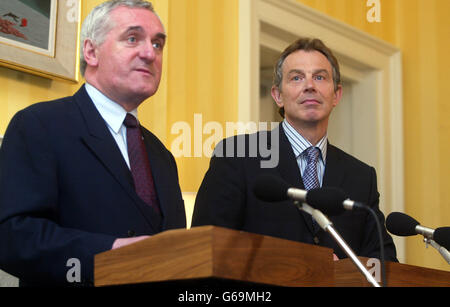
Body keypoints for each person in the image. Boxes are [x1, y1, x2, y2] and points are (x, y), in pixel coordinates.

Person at [0, 0, 186, 286]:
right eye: (133, 38)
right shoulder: (39, 126)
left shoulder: (162, 156)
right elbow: (12, 237)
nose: (150, 53)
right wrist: (108, 253)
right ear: (91, 51)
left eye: (158, 44)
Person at [192, 38, 397, 262]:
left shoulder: (361, 177)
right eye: (297, 77)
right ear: (278, 96)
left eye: (320, 77)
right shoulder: (237, 155)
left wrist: (344, 273)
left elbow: (383, 264)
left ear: (336, 94)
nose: (310, 85)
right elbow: (206, 251)